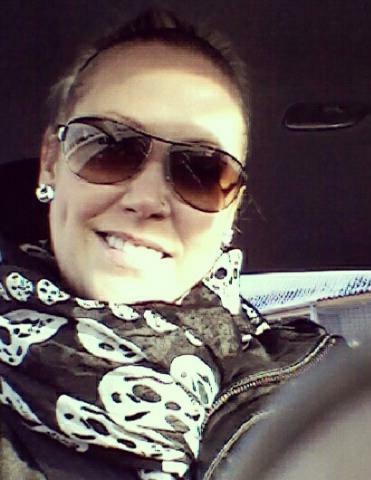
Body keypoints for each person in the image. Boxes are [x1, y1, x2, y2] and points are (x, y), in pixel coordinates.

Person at [0, 8, 343, 480]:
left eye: (201, 170)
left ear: (232, 210)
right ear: (50, 163)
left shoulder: (324, 402)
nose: (146, 199)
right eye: (109, 147)